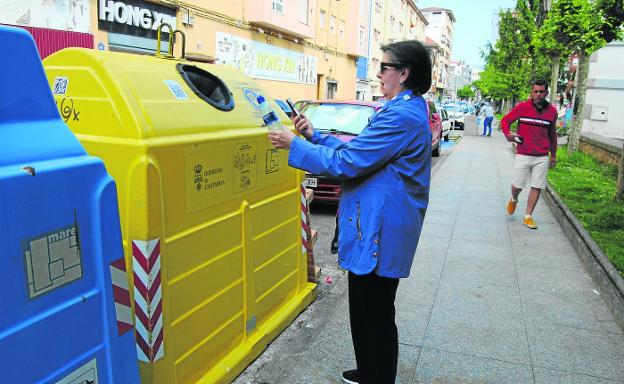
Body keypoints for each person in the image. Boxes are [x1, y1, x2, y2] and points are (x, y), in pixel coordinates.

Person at [268, 40, 432, 384]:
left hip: (382, 228)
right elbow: (359, 150)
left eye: (384, 67)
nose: (378, 74)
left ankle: (378, 375)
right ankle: (371, 369)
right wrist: (315, 135)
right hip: (378, 222)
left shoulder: (401, 115)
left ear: (404, 73)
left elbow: (350, 162)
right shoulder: (400, 108)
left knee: (374, 310)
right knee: (367, 307)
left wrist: (294, 145)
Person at [501, 79, 558, 229]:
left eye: (541, 91)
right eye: (535, 91)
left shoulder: (552, 111)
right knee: (517, 185)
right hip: (524, 153)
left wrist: (554, 155)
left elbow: (552, 135)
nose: (538, 94)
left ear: (546, 93)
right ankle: (514, 199)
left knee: (537, 185)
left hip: (542, 156)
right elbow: (506, 120)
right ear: (531, 92)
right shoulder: (522, 107)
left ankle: (528, 216)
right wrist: (508, 134)